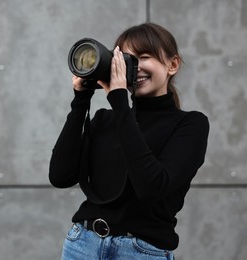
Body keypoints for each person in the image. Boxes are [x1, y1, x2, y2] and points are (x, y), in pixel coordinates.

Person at [49, 23, 209, 260]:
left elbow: (151, 187)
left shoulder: (190, 125)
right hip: (82, 244)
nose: (134, 67)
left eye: (144, 57)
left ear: (172, 65)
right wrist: (81, 100)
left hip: (140, 252)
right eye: (126, 59)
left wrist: (120, 102)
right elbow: (60, 176)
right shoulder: (105, 119)